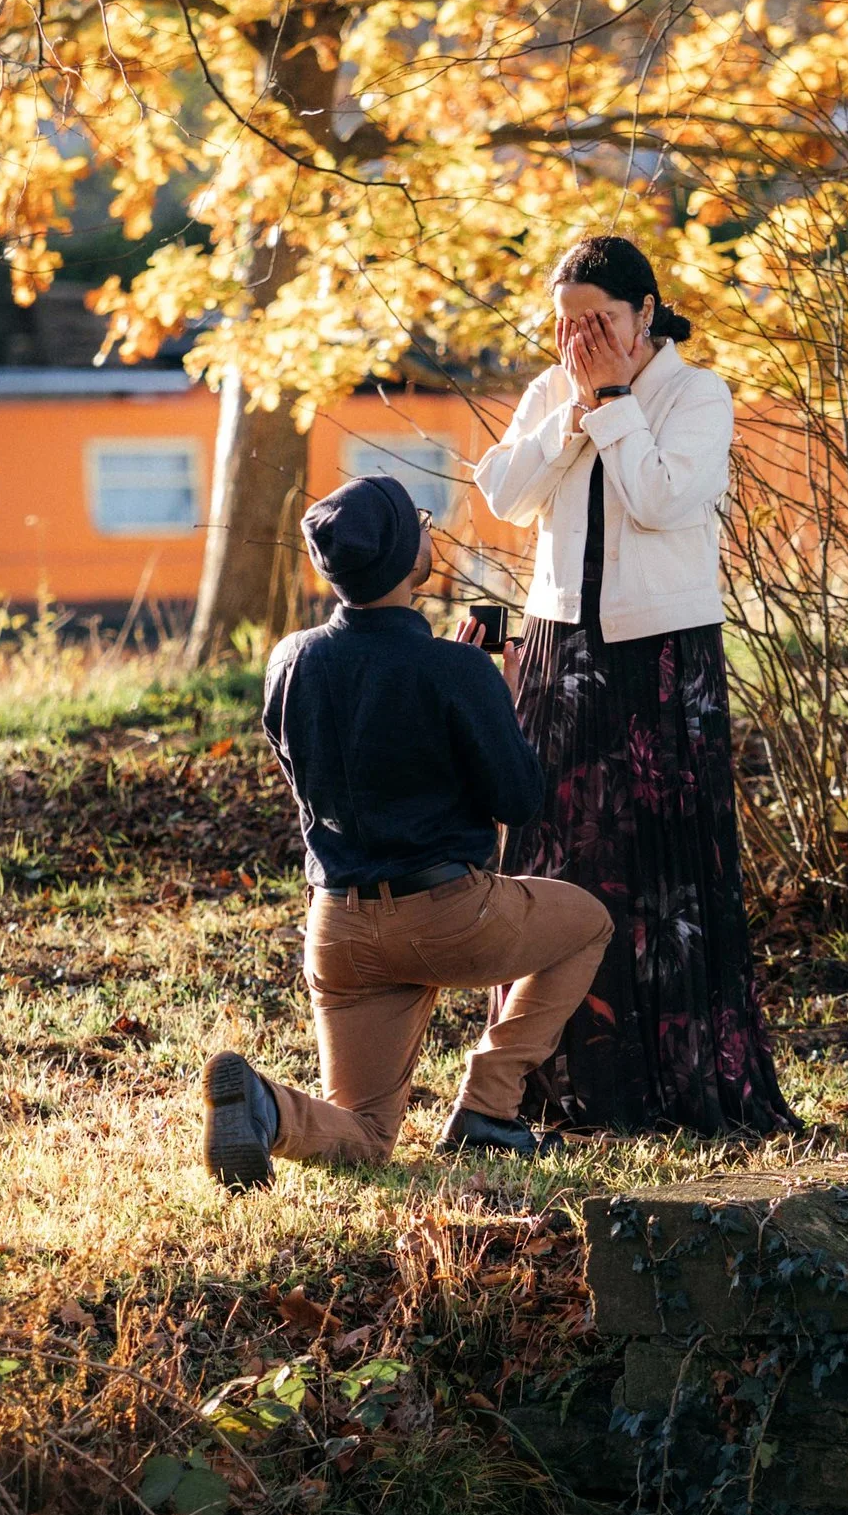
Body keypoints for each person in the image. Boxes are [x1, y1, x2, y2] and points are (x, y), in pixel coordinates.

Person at [200, 470, 612, 1186]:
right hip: (450, 918)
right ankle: (489, 1105)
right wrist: (494, 701)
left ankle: (268, 1109)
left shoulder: (288, 662)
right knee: (588, 922)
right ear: (401, 555)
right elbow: (518, 799)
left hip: (338, 930)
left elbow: (319, 772)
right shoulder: (456, 671)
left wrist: (457, 682)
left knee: (365, 1135)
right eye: (419, 522)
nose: (430, 530)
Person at [474, 233, 793, 1138]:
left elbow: (660, 499)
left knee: (662, 872)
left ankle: (672, 1085)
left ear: (644, 313)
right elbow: (502, 493)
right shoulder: (553, 385)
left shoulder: (698, 394)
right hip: (556, 649)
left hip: (660, 660)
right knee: (554, 862)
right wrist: (569, 414)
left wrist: (613, 403)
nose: (580, 340)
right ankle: (543, 1085)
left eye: (599, 322)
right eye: (567, 324)